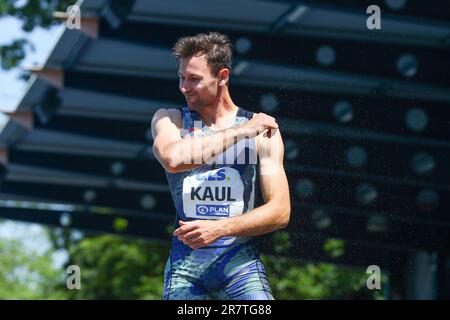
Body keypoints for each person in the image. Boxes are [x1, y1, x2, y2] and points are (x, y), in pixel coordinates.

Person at [151, 32, 291, 300]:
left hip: (240, 264)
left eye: (194, 79)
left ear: (223, 76)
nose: (184, 87)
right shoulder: (170, 119)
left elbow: (280, 211)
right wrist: (240, 132)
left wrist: (219, 228)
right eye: (181, 78)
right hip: (186, 268)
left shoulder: (263, 132)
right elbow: (172, 159)